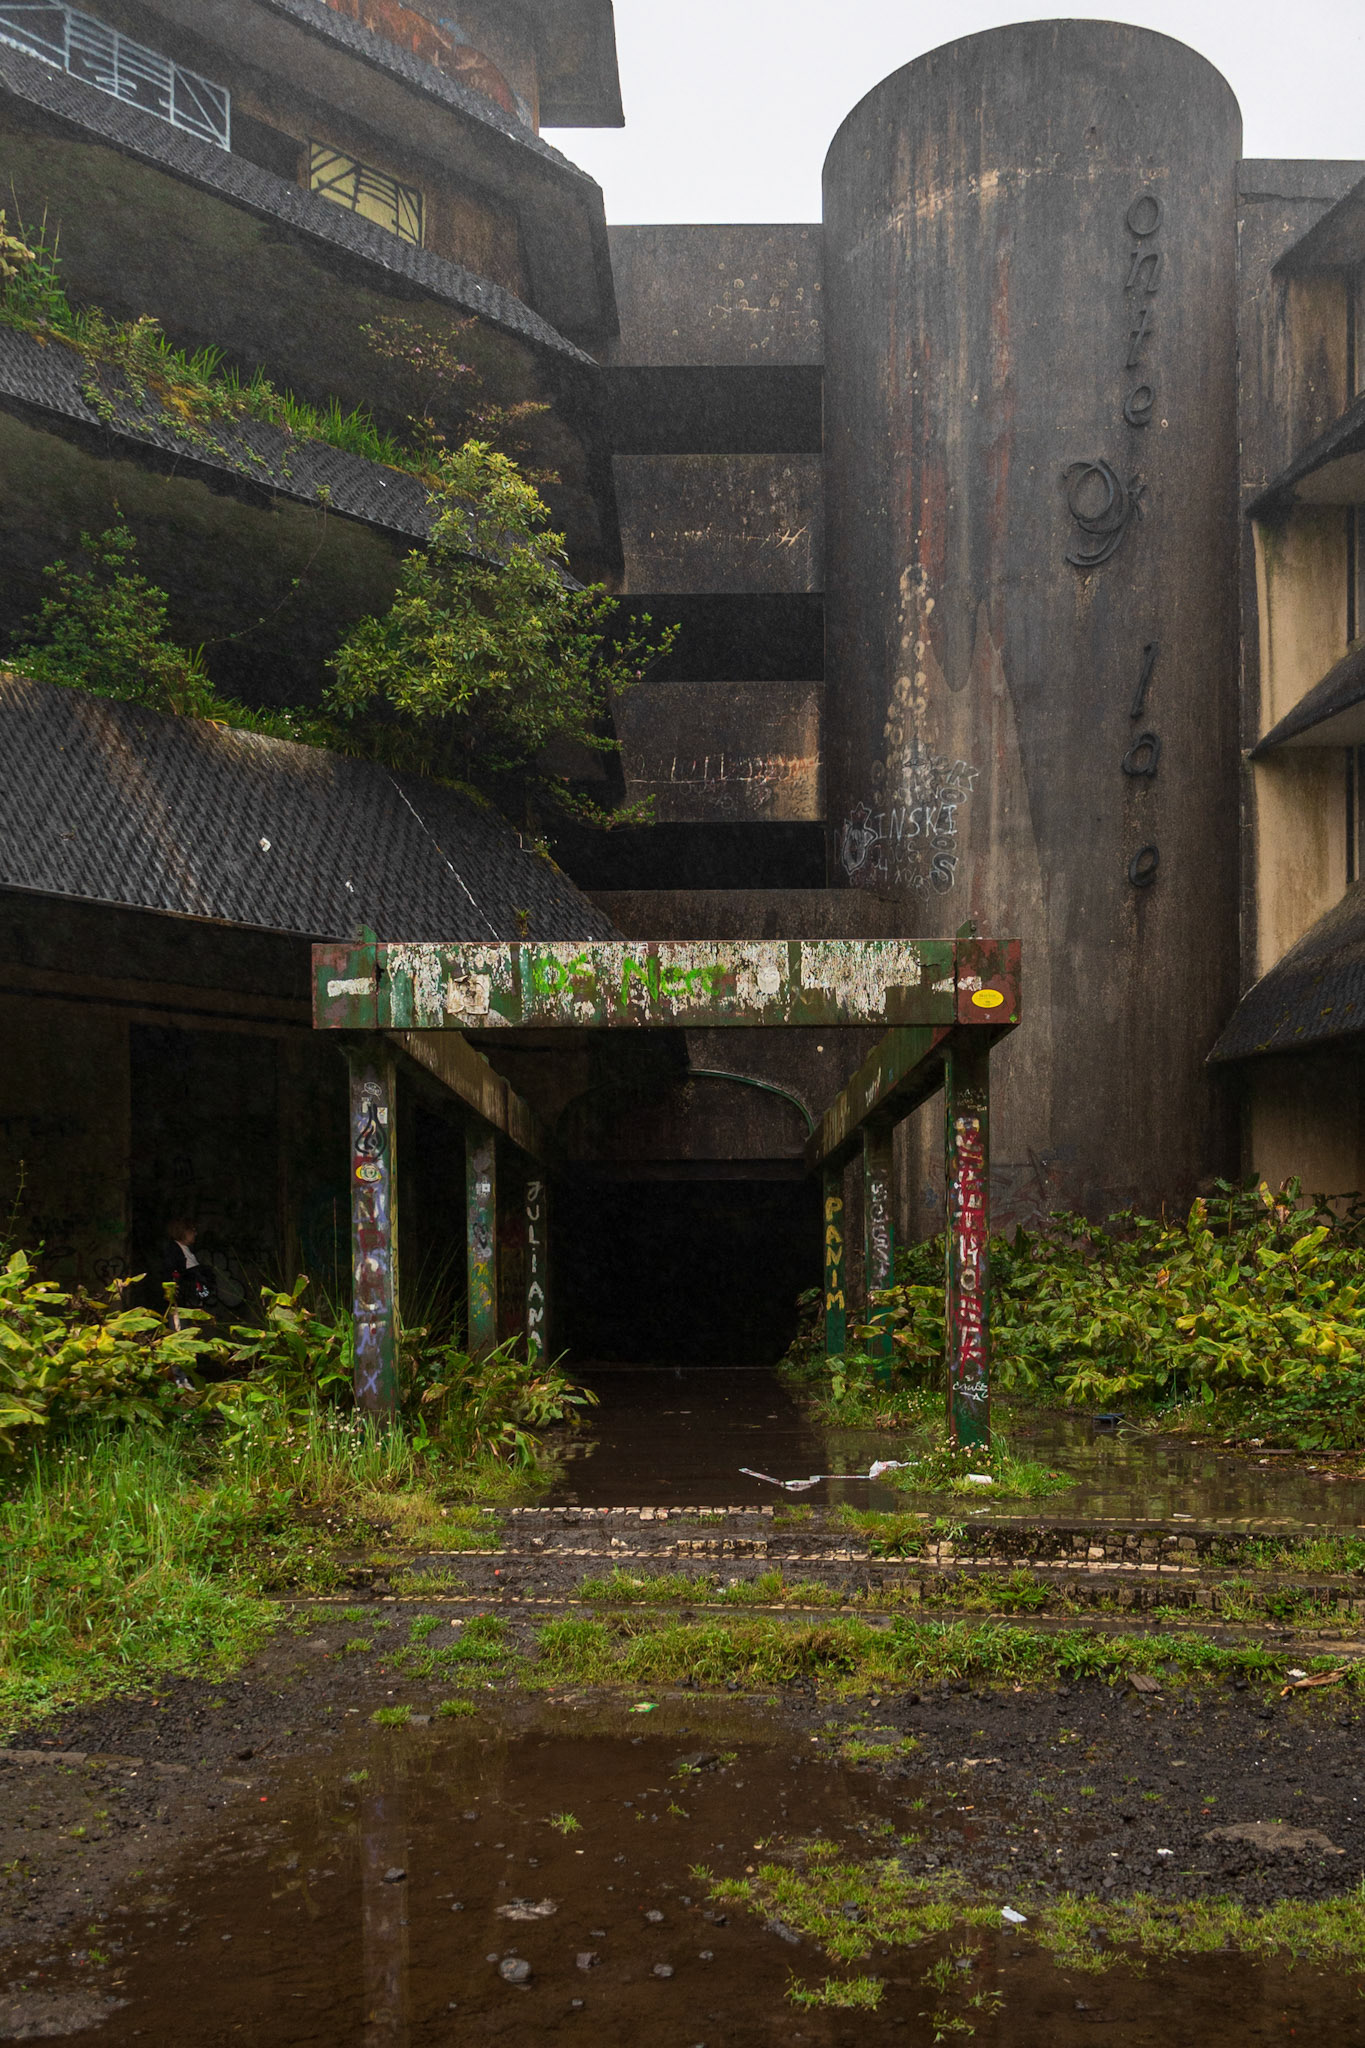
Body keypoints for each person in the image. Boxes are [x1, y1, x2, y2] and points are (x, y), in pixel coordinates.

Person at [159, 1216, 216, 1314]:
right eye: (193, 1230)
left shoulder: (186, 1249)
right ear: (183, 1232)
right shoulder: (174, 1251)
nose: (195, 1233)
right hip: (182, 1304)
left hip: (191, 1301)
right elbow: (171, 1274)